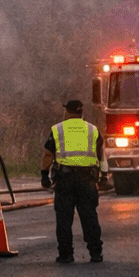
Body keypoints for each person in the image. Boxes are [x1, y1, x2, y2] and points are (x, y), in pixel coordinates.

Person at [41, 99, 103, 263]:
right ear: (81, 113)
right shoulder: (92, 130)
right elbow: (100, 156)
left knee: (64, 219)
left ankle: (65, 254)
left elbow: (49, 154)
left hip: (65, 180)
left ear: (67, 112)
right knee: (89, 216)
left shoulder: (58, 129)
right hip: (87, 180)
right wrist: (103, 177)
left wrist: (44, 175)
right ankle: (95, 253)